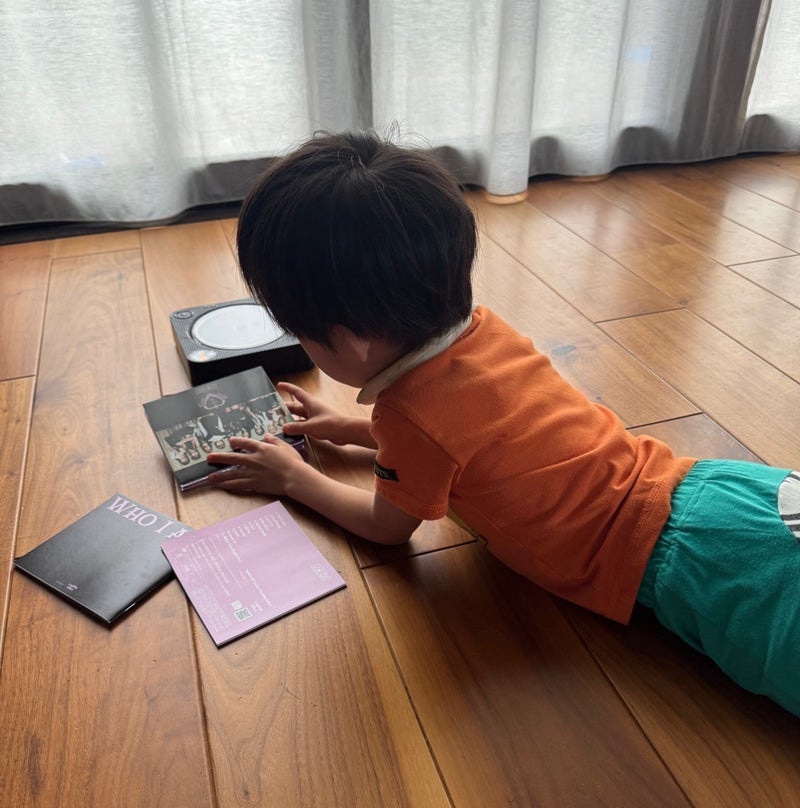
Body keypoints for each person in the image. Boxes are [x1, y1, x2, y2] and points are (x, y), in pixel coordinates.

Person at [207, 130, 800, 717]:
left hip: (675, 562)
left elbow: (387, 528)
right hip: (709, 489)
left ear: (352, 341)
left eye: (301, 334)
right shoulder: (483, 331)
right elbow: (465, 440)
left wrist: (294, 478)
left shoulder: (411, 416)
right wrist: (346, 428)